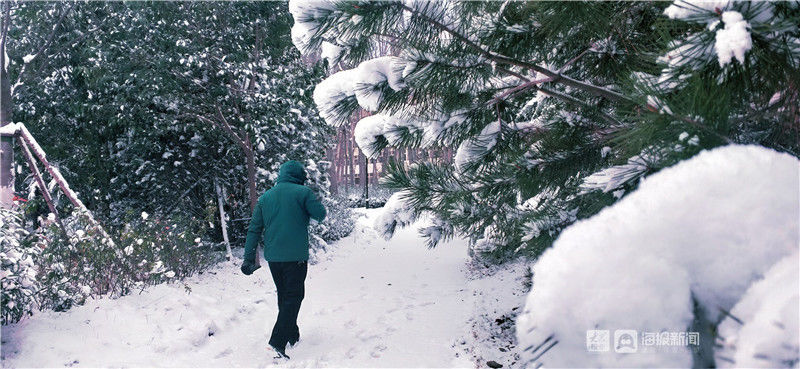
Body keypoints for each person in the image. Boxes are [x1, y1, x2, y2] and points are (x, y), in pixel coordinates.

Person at [241, 160, 326, 360]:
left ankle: (292, 335)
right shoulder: (303, 193)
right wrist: (312, 200)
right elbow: (320, 215)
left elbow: (254, 229)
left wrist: (247, 258)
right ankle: (277, 342)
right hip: (295, 257)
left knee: (284, 296)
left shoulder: (265, 198)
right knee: (294, 297)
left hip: (274, 259)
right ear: (300, 177)